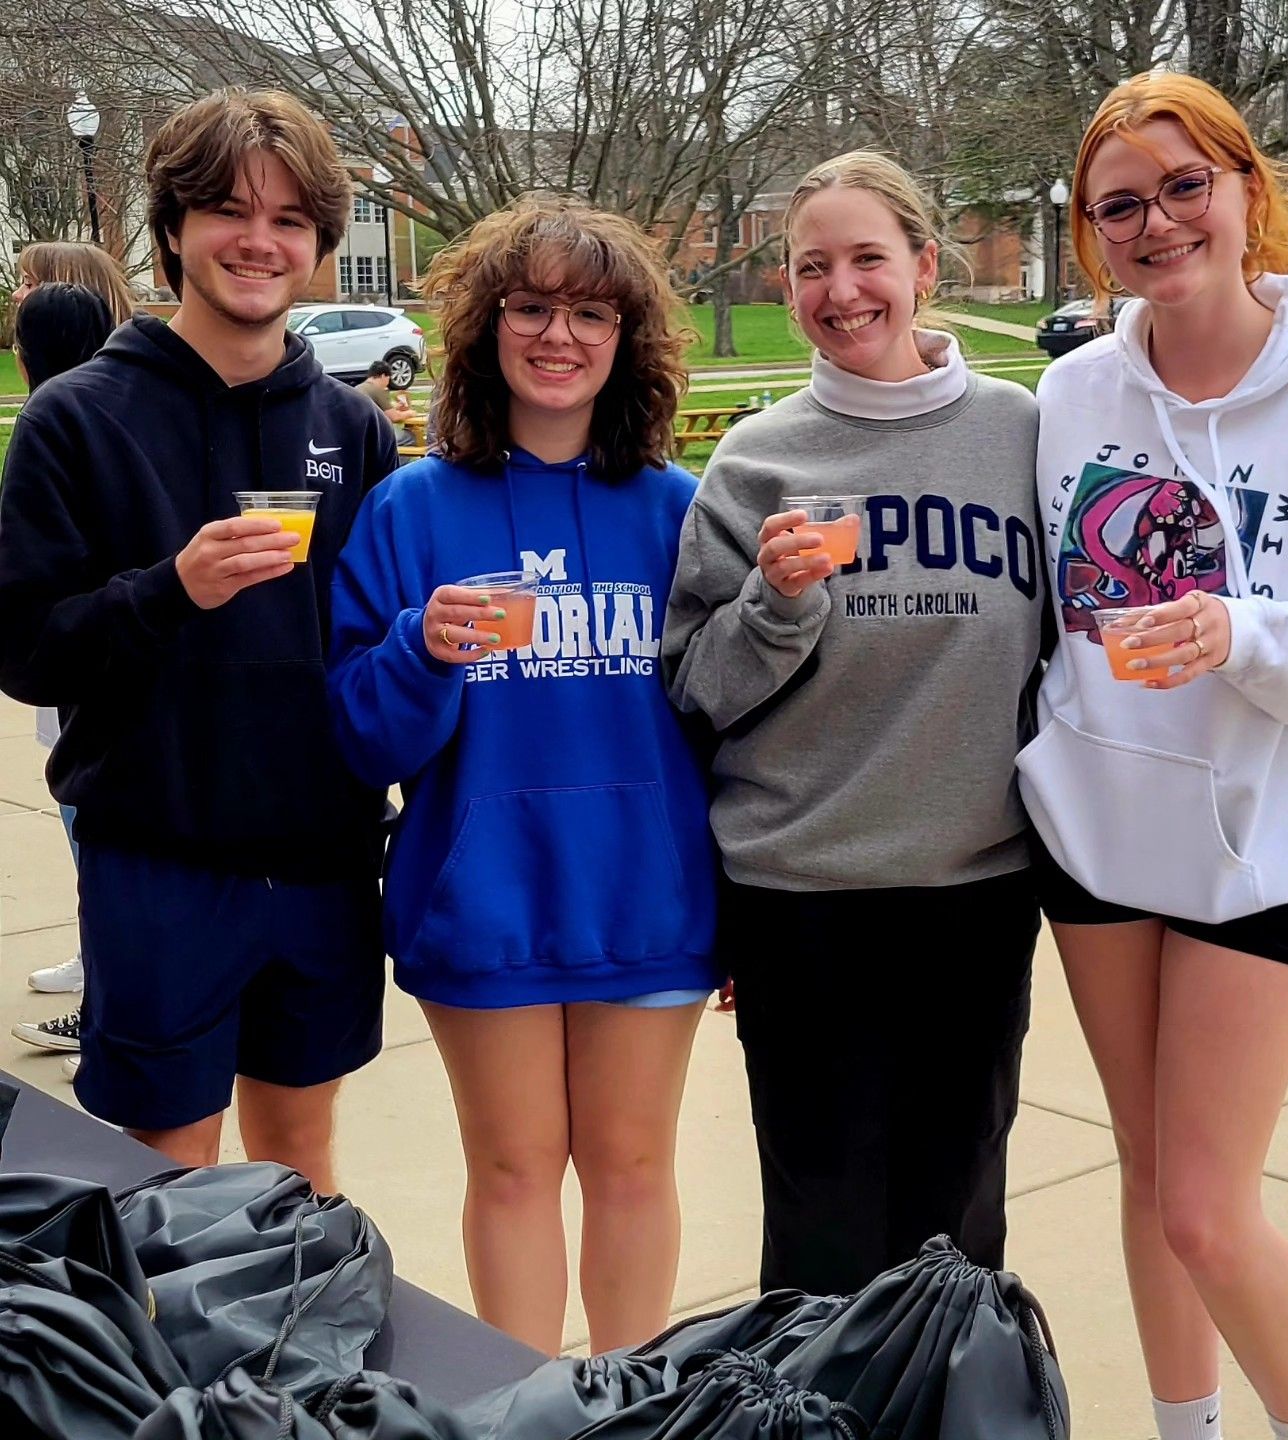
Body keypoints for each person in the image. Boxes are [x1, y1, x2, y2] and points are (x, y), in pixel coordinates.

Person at [1017, 72, 1288, 1440]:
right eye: (1120, 205)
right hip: (1095, 839)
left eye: (1185, 186)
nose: (1157, 224)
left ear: (1249, 191)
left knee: (1205, 1206)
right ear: (1092, 233)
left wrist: (1242, 636)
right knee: (1147, 1180)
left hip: (1260, 852)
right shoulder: (1073, 394)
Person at [328, 196, 720, 1355]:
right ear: (486, 330)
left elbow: (730, 720)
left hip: (647, 898)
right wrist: (422, 650)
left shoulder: (678, 510)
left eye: (590, 312)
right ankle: (519, 1412)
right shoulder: (411, 508)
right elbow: (361, 739)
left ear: (626, 337)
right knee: (510, 1170)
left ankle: (631, 1407)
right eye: (532, 307)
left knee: (634, 1166)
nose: (560, 335)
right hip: (482, 898)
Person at [661, 152, 1045, 1297]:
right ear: (788, 289)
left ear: (925, 267)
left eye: (868, 258)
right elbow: (694, 687)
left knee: (960, 1227)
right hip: (803, 898)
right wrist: (776, 610)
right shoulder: (757, 460)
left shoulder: (1023, 435)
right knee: (821, 1226)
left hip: (975, 886)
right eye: (811, 266)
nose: (843, 290)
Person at [0, 89, 398, 1188]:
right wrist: (170, 589)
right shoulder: (77, 419)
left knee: (300, 1166)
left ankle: (303, 1364)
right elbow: (26, 651)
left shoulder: (353, 428)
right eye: (227, 209)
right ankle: (170, 1369)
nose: (257, 241)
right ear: (173, 226)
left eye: (288, 219)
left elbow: (377, 650)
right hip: (158, 859)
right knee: (169, 1171)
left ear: (317, 243)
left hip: (320, 859)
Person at [9, 245, 134, 1011]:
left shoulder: (79, 419)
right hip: (71, 657)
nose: (17, 295)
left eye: (29, 282)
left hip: (99, 671)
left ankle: (108, 980)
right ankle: (101, 958)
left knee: (93, 821)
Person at [356, 358, 419, 440]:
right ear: (383, 376)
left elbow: (377, 410)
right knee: (412, 436)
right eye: (388, 378)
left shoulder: (358, 388)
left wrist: (395, 407)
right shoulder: (377, 390)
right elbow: (394, 417)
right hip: (372, 436)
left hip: (357, 433)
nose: (388, 382)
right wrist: (410, 413)